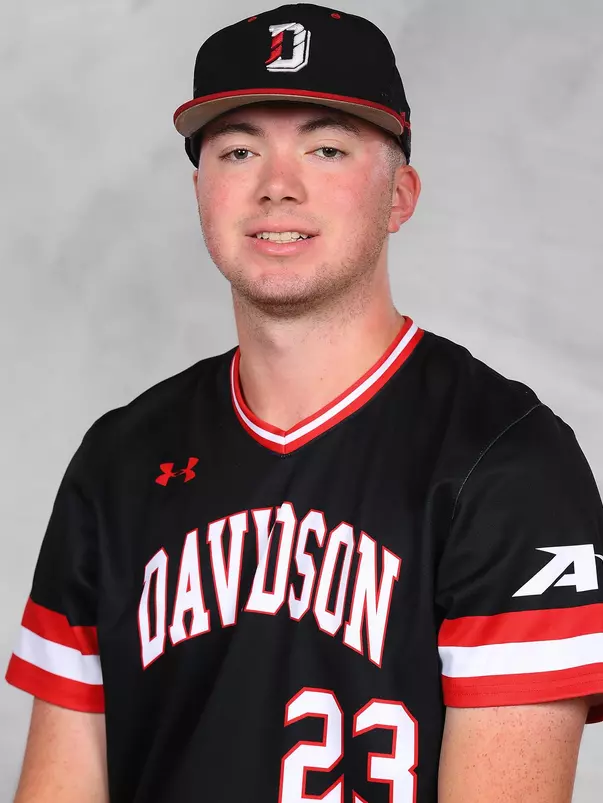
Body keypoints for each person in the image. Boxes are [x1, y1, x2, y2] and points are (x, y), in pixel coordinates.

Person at [6, 4, 603, 802]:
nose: (277, 187)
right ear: (199, 191)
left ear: (400, 195)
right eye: (238, 150)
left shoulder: (508, 461)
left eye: (325, 149)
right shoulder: (117, 460)